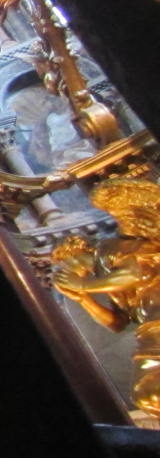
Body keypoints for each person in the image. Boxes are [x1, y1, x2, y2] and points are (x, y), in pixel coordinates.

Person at [51, 177, 160, 420]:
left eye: (72, 261)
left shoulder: (120, 246)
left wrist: (83, 283)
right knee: (146, 395)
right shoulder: (104, 269)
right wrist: (83, 298)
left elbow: (132, 273)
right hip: (149, 333)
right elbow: (117, 322)